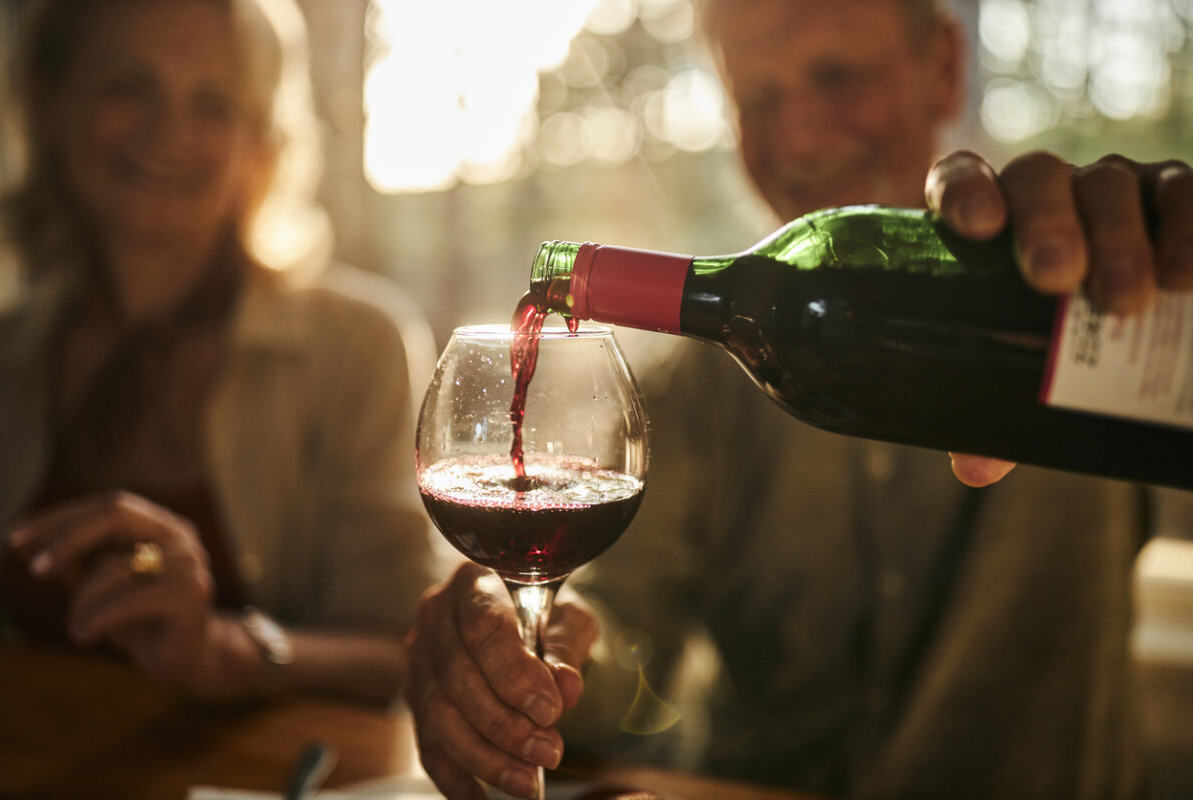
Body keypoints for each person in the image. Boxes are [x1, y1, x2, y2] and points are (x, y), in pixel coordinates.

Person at [404, 0, 1193, 797]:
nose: (799, 135)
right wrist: (513, 655)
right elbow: (612, 635)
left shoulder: (1090, 295)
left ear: (945, 67)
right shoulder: (693, 395)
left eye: (837, 75)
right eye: (759, 101)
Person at [0, 0, 437, 705]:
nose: (167, 132)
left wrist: (228, 650)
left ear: (260, 145)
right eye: (128, 86)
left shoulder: (358, 347)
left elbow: (412, 649)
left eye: (213, 104)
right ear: (51, 104)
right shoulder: (7, 351)